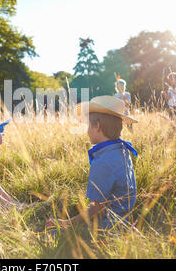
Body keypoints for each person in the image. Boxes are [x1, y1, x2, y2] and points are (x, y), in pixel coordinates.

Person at [46, 96, 138, 231]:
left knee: (53, 235)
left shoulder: (103, 162)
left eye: (87, 125)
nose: (87, 130)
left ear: (98, 126)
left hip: (107, 225)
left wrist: (67, 223)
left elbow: (96, 208)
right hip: (124, 216)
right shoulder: (122, 149)